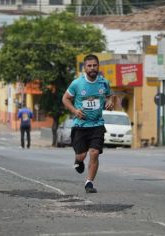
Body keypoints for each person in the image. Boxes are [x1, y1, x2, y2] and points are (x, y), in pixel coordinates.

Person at [62, 54, 114, 193]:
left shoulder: (104, 82)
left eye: (94, 65)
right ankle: (78, 160)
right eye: (89, 66)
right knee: (82, 155)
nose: (92, 68)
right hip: (81, 125)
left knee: (95, 153)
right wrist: (75, 111)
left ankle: (89, 183)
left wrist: (109, 101)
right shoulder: (77, 84)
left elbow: (109, 95)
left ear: (98, 66)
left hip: (97, 124)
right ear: (84, 67)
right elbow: (65, 99)